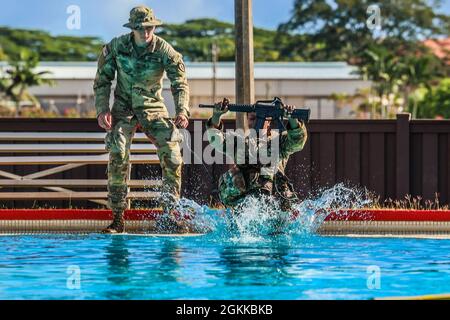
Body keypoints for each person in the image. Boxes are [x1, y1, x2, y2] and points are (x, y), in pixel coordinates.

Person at [93, 6, 189, 233]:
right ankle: (117, 219)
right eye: (140, 28)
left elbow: (179, 82)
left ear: (154, 27)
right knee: (117, 151)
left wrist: (182, 110)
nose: (145, 32)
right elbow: (102, 80)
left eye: (149, 27)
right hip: (124, 106)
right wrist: (101, 109)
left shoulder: (165, 50)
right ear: (132, 28)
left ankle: (170, 216)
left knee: (173, 153)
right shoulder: (117, 47)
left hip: (152, 107)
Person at [206, 98, 308, 212]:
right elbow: (215, 139)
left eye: (259, 118)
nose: (254, 122)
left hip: (274, 205)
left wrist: (292, 120)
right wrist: (216, 116)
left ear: (269, 120)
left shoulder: (279, 142)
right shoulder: (239, 142)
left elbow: (297, 142)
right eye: (252, 118)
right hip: (245, 208)